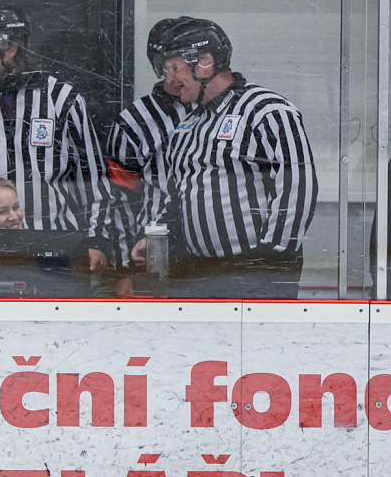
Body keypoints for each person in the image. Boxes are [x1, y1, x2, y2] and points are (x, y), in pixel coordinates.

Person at [132, 18, 315, 298]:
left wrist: (269, 261)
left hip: (255, 273)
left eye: (175, 68)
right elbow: (181, 195)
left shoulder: (266, 110)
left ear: (205, 62)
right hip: (196, 273)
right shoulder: (188, 124)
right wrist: (159, 237)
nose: (169, 81)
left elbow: (297, 188)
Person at [0, 6, 110, 273]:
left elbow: (94, 182)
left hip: (57, 251)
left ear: (11, 49)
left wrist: (96, 240)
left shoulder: (61, 99)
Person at [102, 18, 198, 283]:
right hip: (154, 254)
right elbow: (120, 198)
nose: (172, 77)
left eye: (180, 66)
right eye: (166, 68)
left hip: (214, 256)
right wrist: (123, 269)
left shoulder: (220, 111)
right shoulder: (134, 121)